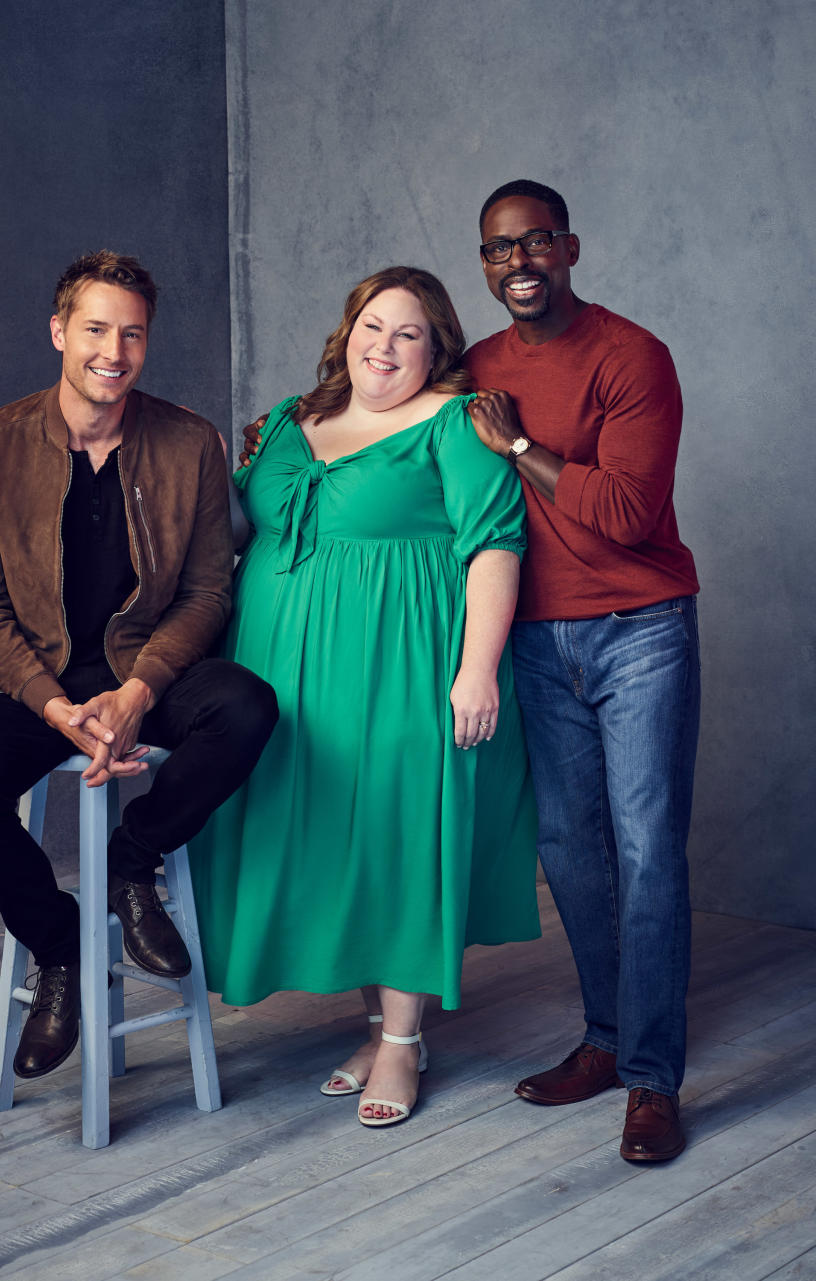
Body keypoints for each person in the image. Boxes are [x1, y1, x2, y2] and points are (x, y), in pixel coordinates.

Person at [191, 266, 539, 1128]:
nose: (385, 346)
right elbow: (236, 529)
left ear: (438, 348)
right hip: (281, 676)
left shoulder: (454, 425)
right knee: (326, 842)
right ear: (347, 332)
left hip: (399, 665)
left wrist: (477, 668)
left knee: (396, 833)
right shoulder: (285, 420)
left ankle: (405, 1039)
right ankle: (375, 1022)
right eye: (372, 326)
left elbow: (495, 545)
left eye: (409, 333)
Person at [0, 250, 277, 1082]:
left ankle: (134, 864)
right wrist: (57, 708)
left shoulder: (187, 440)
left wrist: (137, 691)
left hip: (142, 670)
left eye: (132, 333)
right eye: (95, 328)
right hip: (35, 682)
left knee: (248, 706)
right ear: (59, 332)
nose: (113, 351)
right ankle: (60, 949)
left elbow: (206, 592)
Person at [464, 180, 700, 1163]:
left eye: (536, 243)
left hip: (640, 629)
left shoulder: (631, 355)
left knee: (646, 853)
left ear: (570, 247)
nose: (518, 263)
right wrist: (283, 439)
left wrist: (515, 444)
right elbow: (390, 431)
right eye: (498, 249)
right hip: (534, 637)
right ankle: (605, 1040)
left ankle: (652, 1081)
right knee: (570, 850)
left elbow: (625, 514)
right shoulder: (474, 365)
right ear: (485, 264)